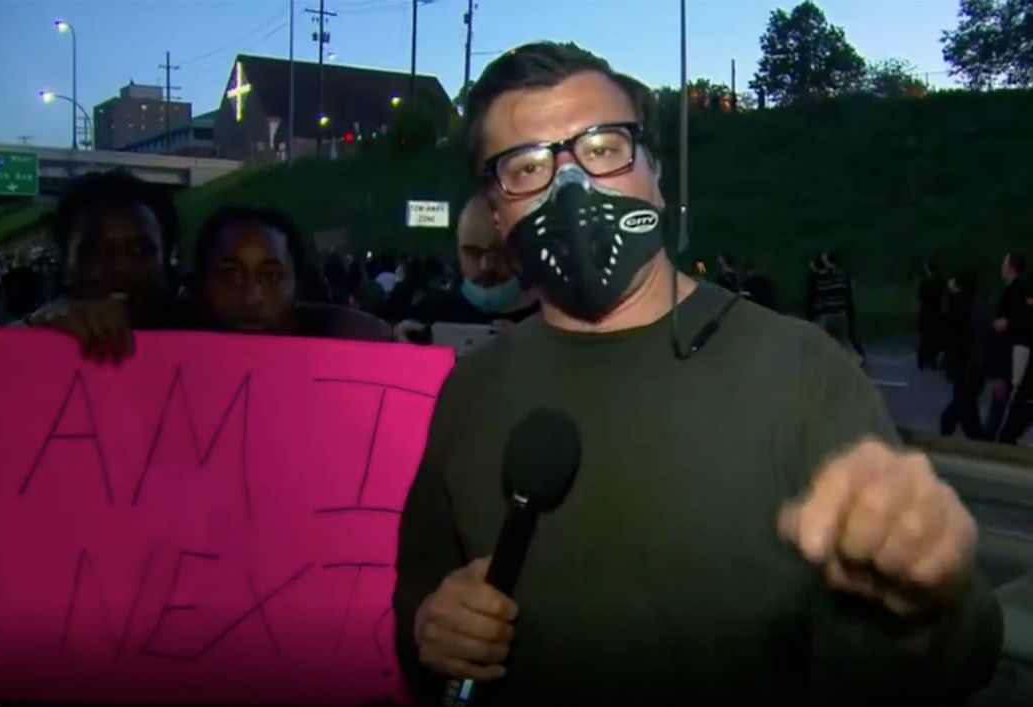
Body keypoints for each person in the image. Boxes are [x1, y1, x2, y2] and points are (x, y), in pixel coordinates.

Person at [393, 42, 1000, 707]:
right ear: (496, 209)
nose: (573, 187)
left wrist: (926, 590)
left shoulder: (798, 372)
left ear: (655, 172)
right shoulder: (471, 391)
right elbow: (418, 608)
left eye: (602, 148)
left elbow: (939, 660)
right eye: (529, 166)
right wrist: (433, 627)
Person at [0, 171, 186, 483]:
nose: (121, 267)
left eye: (140, 251)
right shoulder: (35, 347)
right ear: (66, 265)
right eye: (96, 252)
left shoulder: (210, 345)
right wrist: (27, 341)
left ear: (166, 261)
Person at [189, 206, 392, 341]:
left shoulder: (357, 339)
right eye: (231, 275)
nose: (252, 297)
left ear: (297, 285)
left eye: (272, 277)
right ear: (202, 283)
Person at [398, 195, 539, 345]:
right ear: (458, 251)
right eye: (473, 254)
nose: (486, 265)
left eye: (498, 253)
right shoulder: (427, 317)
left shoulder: (554, 324)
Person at [938, 272, 989, 440]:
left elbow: (951, 327)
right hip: (976, 364)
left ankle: (952, 438)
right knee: (967, 409)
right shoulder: (977, 304)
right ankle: (978, 440)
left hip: (966, 364)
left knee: (961, 408)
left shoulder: (959, 303)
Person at [985, 252, 1028, 439]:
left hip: (1007, 357)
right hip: (1009, 356)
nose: (1002, 268)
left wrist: (1000, 323)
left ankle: (990, 440)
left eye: (1004, 263)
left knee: (1000, 400)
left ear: (1011, 267)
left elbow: (1010, 324)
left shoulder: (1013, 292)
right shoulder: (1017, 291)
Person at [997, 284, 1033, 445]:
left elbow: (1021, 352)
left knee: (1008, 435)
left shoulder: (1026, 318)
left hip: (1028, 390)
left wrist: (1015, 385)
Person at [916, 259, 945, 371]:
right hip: (936, 313)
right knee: (935, 337)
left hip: (925, 313)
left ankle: (923, 360)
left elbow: (920, 299)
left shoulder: (924, 283)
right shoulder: (940, 282)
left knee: (924, 337)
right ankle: (933, 360)